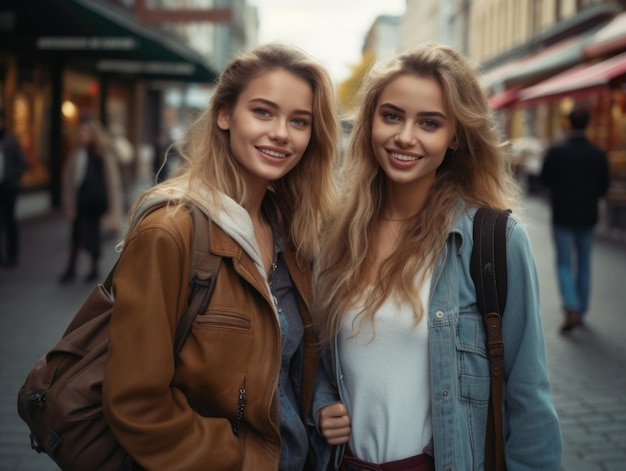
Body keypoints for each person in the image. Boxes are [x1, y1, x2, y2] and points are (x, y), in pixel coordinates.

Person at [310, 42, 562, 470]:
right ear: (370, 120)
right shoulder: (334, 234)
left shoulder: (493, 240)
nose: (405, 136)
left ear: (456, 136)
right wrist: (322, 403)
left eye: (429, 123)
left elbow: (528, 397)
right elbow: (319, 359)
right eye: (391, 116)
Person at [102, 44, 339, 470]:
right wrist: (238, 460)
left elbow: (283, 376)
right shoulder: (171, 230)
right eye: (263, 112)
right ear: (225, 115)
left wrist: (320, 406)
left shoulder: (294, 233)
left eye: (299, 121)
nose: (282, 133)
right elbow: (136, 404)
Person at [540, 106, 610, 333]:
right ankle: (581, 308)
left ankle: (571, 306)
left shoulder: (557, 151)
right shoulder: (598, 154)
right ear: (588, 124)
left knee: (563, 263)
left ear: (569, 124)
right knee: (584, 263)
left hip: (562, 215)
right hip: (588, 217)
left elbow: (544, 180)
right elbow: (604, 188)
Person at [59, 118, 117, 283]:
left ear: (93, 134)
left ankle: (94, 268)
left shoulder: (101, 154)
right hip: (80, 203)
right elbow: (71, 178)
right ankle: (71, 269)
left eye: (85, 132)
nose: (81, 135)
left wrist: (113, 211)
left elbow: (111, 183)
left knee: (92, 238)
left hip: (94, 205)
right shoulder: (77, 152)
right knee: (75, 237)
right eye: (80, 132)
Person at [0, 108, 27, 268]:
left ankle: (12, 255)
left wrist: (10, 176)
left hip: (8, 188)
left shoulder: (11, 141)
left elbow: (22, 164)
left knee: (10, 221)